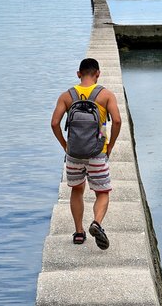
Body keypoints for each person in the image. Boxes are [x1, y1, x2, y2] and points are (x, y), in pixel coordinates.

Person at [50, 58, 122, 250]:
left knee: (77, 189)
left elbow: (55, 123)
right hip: (97, 152)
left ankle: (79, 233)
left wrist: (65, 145)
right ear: (98, 73)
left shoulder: (67, 96)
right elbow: (116, 121)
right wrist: (110, 146)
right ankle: (96, 223)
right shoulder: (105, 95)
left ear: (78, 73)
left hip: (74, 154)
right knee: (102, 192)